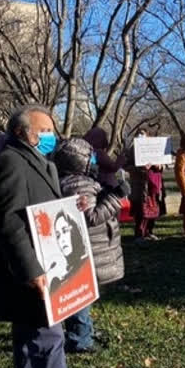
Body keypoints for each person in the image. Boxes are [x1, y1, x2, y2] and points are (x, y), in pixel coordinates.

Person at [0, 104, 101, 368]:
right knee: (49, 339)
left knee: (27, 336)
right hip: (30, 269)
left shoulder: (37, 161)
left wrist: (72, 206)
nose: (50, 136)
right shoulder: (9, 163)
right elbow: (10, 223)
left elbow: (42, 207)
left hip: (41, 262)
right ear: (21, 132)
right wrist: (31, 271)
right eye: (43, 130)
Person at [53, 137, 129, 353]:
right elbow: (92, 217)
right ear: (80, 160)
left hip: (85, 246)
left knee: (83, 291)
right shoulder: (78, 184)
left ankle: (81, 330)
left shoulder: (68, 180)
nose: (94, 161)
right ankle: (80, 338)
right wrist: (116, 197)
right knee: (81, 293)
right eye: (91, 157)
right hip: (89, 246)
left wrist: (104, 192)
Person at [125, 129, 165, 242]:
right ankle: (139, 234)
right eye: (139, 134)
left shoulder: (153, 148)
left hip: (154, 185)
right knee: (141, 211)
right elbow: (126, 166)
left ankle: (149, 232)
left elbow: (163, 164)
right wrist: (139, 168)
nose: (141, 135)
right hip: (139, 185)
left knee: (153, 209)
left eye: (143, 133)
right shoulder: (131, 150)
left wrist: (159, 165)